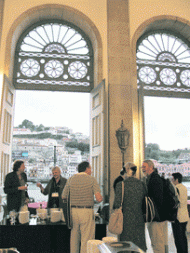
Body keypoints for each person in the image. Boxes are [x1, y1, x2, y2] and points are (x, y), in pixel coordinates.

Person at [62, 161, 103, 253]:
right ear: (87, 169)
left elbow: (63, 196)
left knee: (74, 238)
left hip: (73, 212)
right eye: (90, 168)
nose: (91, 171)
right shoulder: (92, 179)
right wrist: (101, 198)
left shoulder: (71, 179)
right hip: (86, 211)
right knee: (86, 239)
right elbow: (99, 198)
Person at [113, 162, 147, 252]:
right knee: (138, 245)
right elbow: (145, 201)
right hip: (139, 218)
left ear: (127, 171)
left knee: (126, 246)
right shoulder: (142, 184)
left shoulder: (121, 185)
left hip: (126, 219)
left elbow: (117, 203)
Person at [142, 159, 165, 253]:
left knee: (157, 242)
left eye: (144, 167)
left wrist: (154, 213)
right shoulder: (151, 178)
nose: (142, 169)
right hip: (154, 215)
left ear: (151, 167)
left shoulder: (155, 179)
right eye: (142, 167)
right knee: (155, 241)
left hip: (156, 216)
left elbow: (158, 199)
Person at [171, 172, 189, 253]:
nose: (171, 181)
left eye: (172, 179)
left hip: (178, 217)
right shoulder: (184, 187)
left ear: (176, 180)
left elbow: (175, 203)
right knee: (183, 238)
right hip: (184, 216)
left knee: (178, 239)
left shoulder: (176, 188)